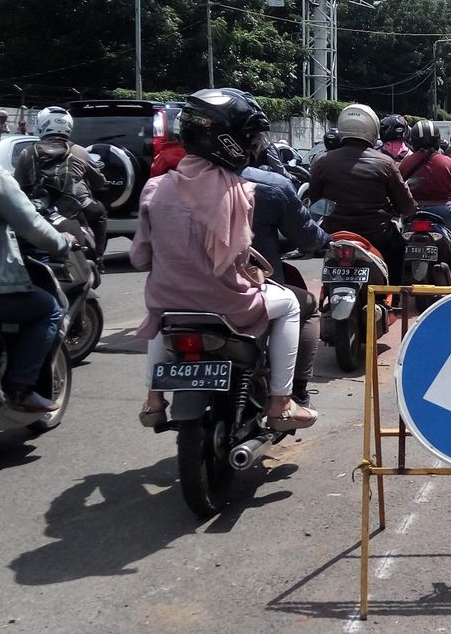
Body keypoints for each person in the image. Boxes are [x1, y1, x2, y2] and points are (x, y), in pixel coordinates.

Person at [132, 87, 316, 432]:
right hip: (229, 304)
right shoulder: (239, 191)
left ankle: (154, 401)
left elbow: (140, 258)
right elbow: (239, 258)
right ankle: (281, 403)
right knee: (291, 304)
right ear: (229, 140)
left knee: (161, 313)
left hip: (169, 303)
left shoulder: (154, 187)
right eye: (249, 136)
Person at [0, 92, 75, 412]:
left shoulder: (25, 156)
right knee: (48, 309)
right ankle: (20, 387)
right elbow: (31, 225)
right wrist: (62, 244)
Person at [241, 110, 330, 408]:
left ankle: (154, 399)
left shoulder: (163, 186)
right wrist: (325, 241)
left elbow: (142, 255)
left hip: (177, 298)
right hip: (248, 289)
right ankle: (293, 393)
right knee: (303, 305)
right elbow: (306, 235)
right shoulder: (266, 186)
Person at [307, 103, 416, 281]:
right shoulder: (385, 163)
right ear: (373, 129)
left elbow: (316, 201)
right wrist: (407, 209)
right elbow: (406, 206)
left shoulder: (322, 161)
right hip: (377, 235)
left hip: (335, 234)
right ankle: (394, 294)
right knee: (399, 250)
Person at [14, 105, 108, 254]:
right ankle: (98, 257)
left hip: (41, 207)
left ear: (41, 124)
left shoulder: (28, 152)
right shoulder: (79, 151)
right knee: (100, 213)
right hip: (76, 205)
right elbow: (99, 182)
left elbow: (18, 185)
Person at [399, 119, 451, 264]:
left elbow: (397, 186)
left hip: (412, 211)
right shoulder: (447, 161)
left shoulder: (406, 161)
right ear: (437, 139)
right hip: (443, 210)